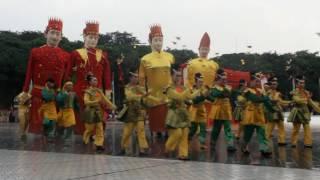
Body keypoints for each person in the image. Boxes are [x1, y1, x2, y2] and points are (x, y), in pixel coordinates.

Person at [21, 18, 69, 134]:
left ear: (61, 37)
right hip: (38, 95)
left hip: (56, 97)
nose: (54, 37)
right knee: (37, 129)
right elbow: (28, 73)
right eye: (52, 33)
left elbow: (66, 78)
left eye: (58, 34)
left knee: (54, 131)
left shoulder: (66, 55)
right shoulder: (35, 52)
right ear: (45, 34)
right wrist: (25, 91)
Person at [69, 21, 112, 135]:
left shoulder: (102, 55)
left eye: (95, 38)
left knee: (98, 114)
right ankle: (84, 135)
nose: (93, 40)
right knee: (83, 114)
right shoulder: (76, 53)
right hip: (81, 91)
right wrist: (68, 88)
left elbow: (107, 74)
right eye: (90, 37)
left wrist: (108, 90)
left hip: (98, 91)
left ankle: (96, 135)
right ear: (84, 37)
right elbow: (68, 73)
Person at [138, 24, 174, 134]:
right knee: (156, 120)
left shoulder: (169, 56)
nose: (159, 43)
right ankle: (156, 134)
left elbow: (172, 74)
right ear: (150, 41)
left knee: (169, 117)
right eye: (156, 40)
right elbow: (141, 78)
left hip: (167, 92)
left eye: (160, 40)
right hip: (153, 94)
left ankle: (168, 132)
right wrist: (143, 94)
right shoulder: (145, 59)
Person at [82, 74, 116, 152]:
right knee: (90, 129)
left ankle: (99, 144)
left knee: (100, 128)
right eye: (94, 80)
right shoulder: (87, 92)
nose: (96, 81)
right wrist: (96, 101)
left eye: (96, 80)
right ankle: (85, 138)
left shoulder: (99, 91)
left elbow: (105, 100)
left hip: (98, 112)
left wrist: (112, 106)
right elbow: (86, 102)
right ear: (90, 82)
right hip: (90, 112)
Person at [119, 72, 149, 156]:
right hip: (130, 112)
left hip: (139, 111)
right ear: (130, 78)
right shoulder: (127, 87)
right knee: (127, 132)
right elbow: (129, 97)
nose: (136, 79)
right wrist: (140, 96)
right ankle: (123, 147)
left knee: (141, 130)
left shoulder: (140, 88)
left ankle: (142, 149)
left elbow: (146, 98)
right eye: (134, 77)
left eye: (137, 77)